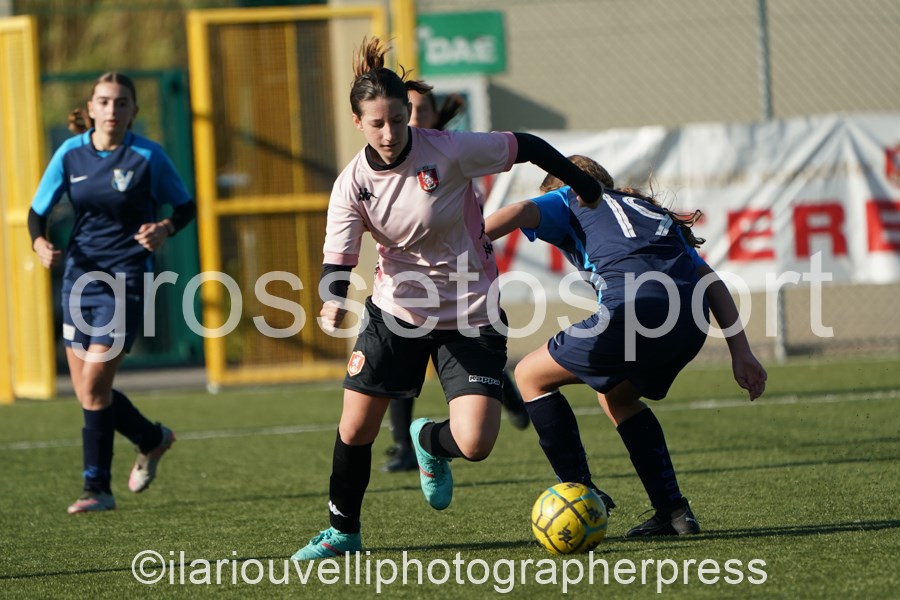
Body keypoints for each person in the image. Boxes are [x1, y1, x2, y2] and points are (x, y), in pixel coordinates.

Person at [292, 37, 605, 560]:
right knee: (356, 427)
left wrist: (583, 186)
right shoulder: (351, 185)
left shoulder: (449, 150)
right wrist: (331, 300)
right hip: (397, 312)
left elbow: (525, 145)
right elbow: (338, 259)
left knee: (476, 444)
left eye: (398, 120)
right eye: (377, 123)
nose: (390, 133)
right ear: (357, 123)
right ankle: (342, 532)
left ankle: (427, 441)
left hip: (471, 313)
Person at [484, 155, 767, 536]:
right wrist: (741, 352)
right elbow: (709, 278)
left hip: (636, 309)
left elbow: (519, 211)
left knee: (529, 376)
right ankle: (674, 513)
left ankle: (579, 489)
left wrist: (465, 244)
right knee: (617, 396)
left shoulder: (571, 195)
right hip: (691, 321)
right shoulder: (643, 208)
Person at [29, 72, 197, 514]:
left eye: (121, 103)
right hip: (79, 281)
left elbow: (185, 207)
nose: (112, 110)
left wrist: (164, 228)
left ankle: (97, 489)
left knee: (93, 384)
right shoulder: (70, 153)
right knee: (89, 393)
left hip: (126, 280)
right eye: (104, 102)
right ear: (90, 108)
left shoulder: (148, 156)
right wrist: (39, 242)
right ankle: (151, 438)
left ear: (133, 112)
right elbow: (37, 211)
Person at [381, 85, 529, 474]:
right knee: (403, 363)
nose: (412, 118)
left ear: (434, 116)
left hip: (459, 282)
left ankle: (503, 393)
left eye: (420, 110)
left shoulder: (451, 157)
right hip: (409, 283)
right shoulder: (385, 159)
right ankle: (404, 446)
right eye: (407, 110)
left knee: (469, 356)